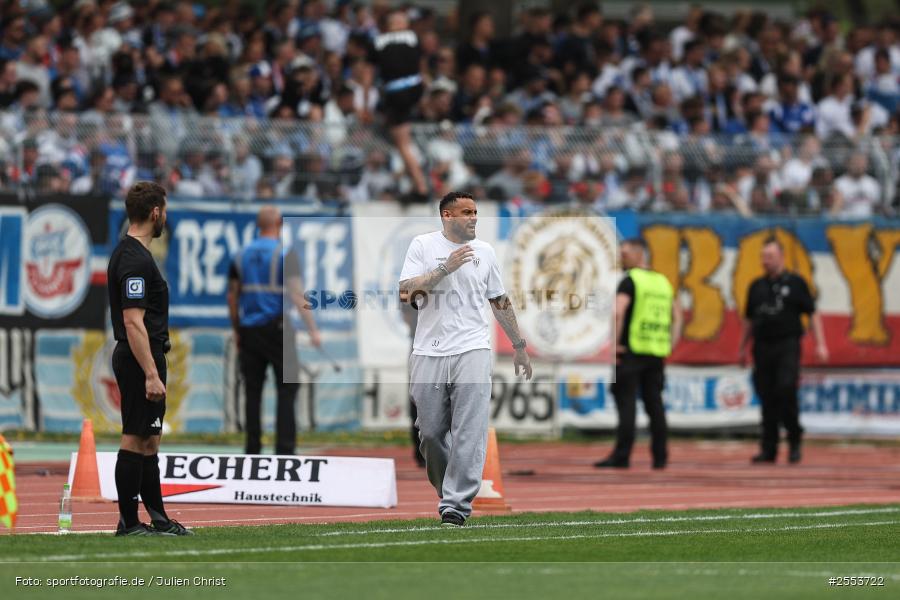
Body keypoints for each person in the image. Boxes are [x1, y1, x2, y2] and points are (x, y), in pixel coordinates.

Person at [399, 191, 532, 527]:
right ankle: (449, 491)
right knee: (429, 433)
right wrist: (444, 269)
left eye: (475, 212)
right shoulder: (423, 245)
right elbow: (406, 292)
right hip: (429, 350)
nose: (473, 218)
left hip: (473, 348)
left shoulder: (485, 252)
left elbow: (499, 300)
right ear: (447, 216)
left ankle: (456, 505)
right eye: (466, 212)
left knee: (469, 430)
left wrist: (519, 344)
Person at [107, 181, 191, 536]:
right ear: (155, 212)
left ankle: (158, 519)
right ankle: (128, 522)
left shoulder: (132, 254)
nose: (165, 217)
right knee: (133, 437)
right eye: (165, 211)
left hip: (145, 354)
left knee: (149, 439)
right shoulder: (135, 259)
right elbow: (133, 321)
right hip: (139, 357)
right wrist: (151, 373)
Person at [227, 206, 322, 456]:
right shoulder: (285, 253)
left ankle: (253, 450)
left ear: (258, 225)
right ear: (279, 223)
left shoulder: (240, 255)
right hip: (278, 329)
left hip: (249, 329)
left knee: (252, 391)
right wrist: (312, 329)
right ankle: (285, 451)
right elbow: (296, 294)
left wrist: (237, 330)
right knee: (287, 389)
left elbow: (232, 297)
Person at [739, 238, 828, 464]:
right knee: (766, 396)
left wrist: (821, 344)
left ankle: (794, 437)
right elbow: (749, 319)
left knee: (785, 388)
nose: (765, 261)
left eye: (770, 256)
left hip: (787, 344)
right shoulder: (756, 286)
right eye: (763, 257)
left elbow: (812, 312)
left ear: (781, 257)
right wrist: (742, 348)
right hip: (762, 346)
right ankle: (769, 448)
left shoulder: (796, 283)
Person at [595, 238, 682, 470]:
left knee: (627, 404)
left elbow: (617, 312)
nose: (621, 258)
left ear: (638, 253)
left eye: (624, 254)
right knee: (655, 405)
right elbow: (677, 317)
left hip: (631, 352)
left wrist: (614, 346)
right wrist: (669, 345)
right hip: (656, 353)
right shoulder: (662, 282)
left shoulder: (630, 280)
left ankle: (622, 456)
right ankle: (660, 457)